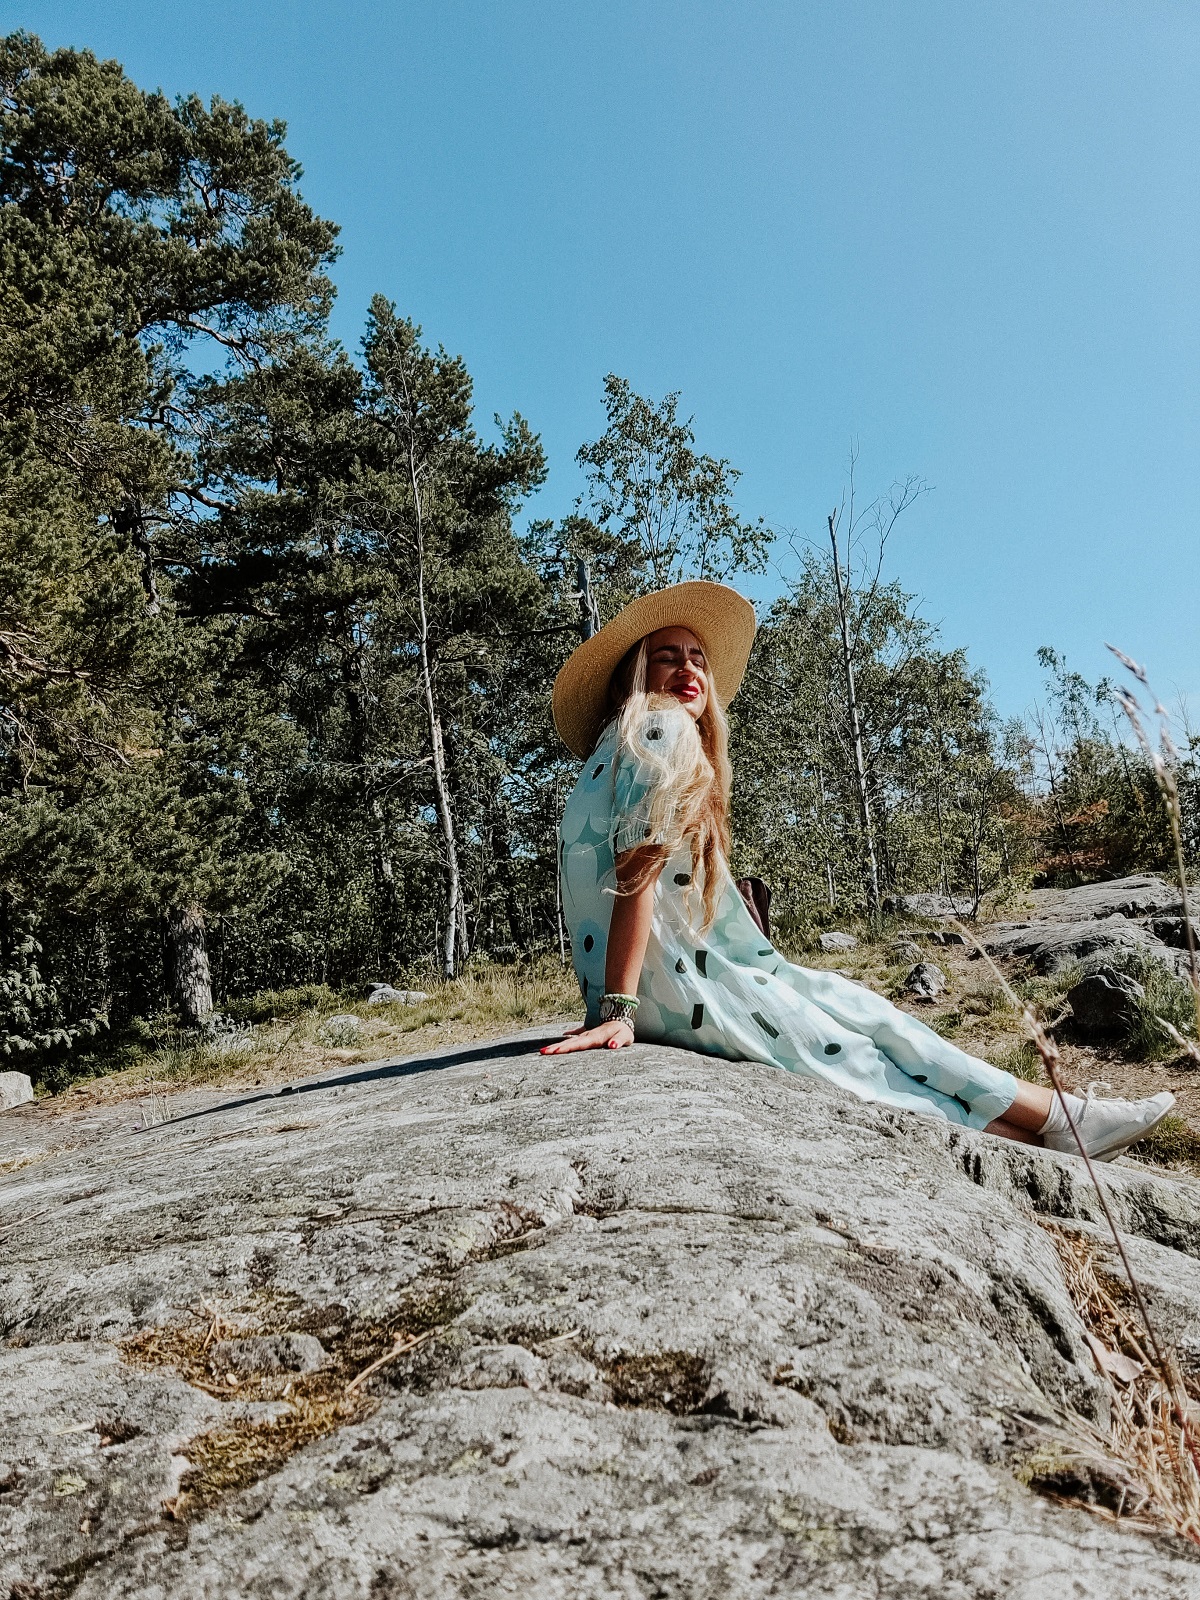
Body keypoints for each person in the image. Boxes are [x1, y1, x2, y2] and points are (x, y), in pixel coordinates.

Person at [541, 580, 1174, 1162]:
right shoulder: (660, 727)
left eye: (697, 657)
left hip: (663, 984)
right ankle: (1063, 1127)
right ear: (637, 673)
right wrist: (619, 1011)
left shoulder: (610, 752)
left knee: (857, 1015)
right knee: (862, 1052)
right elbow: (638, 871)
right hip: (670, 993)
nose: (689, 669)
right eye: (668, 656)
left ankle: (1061, 1129)